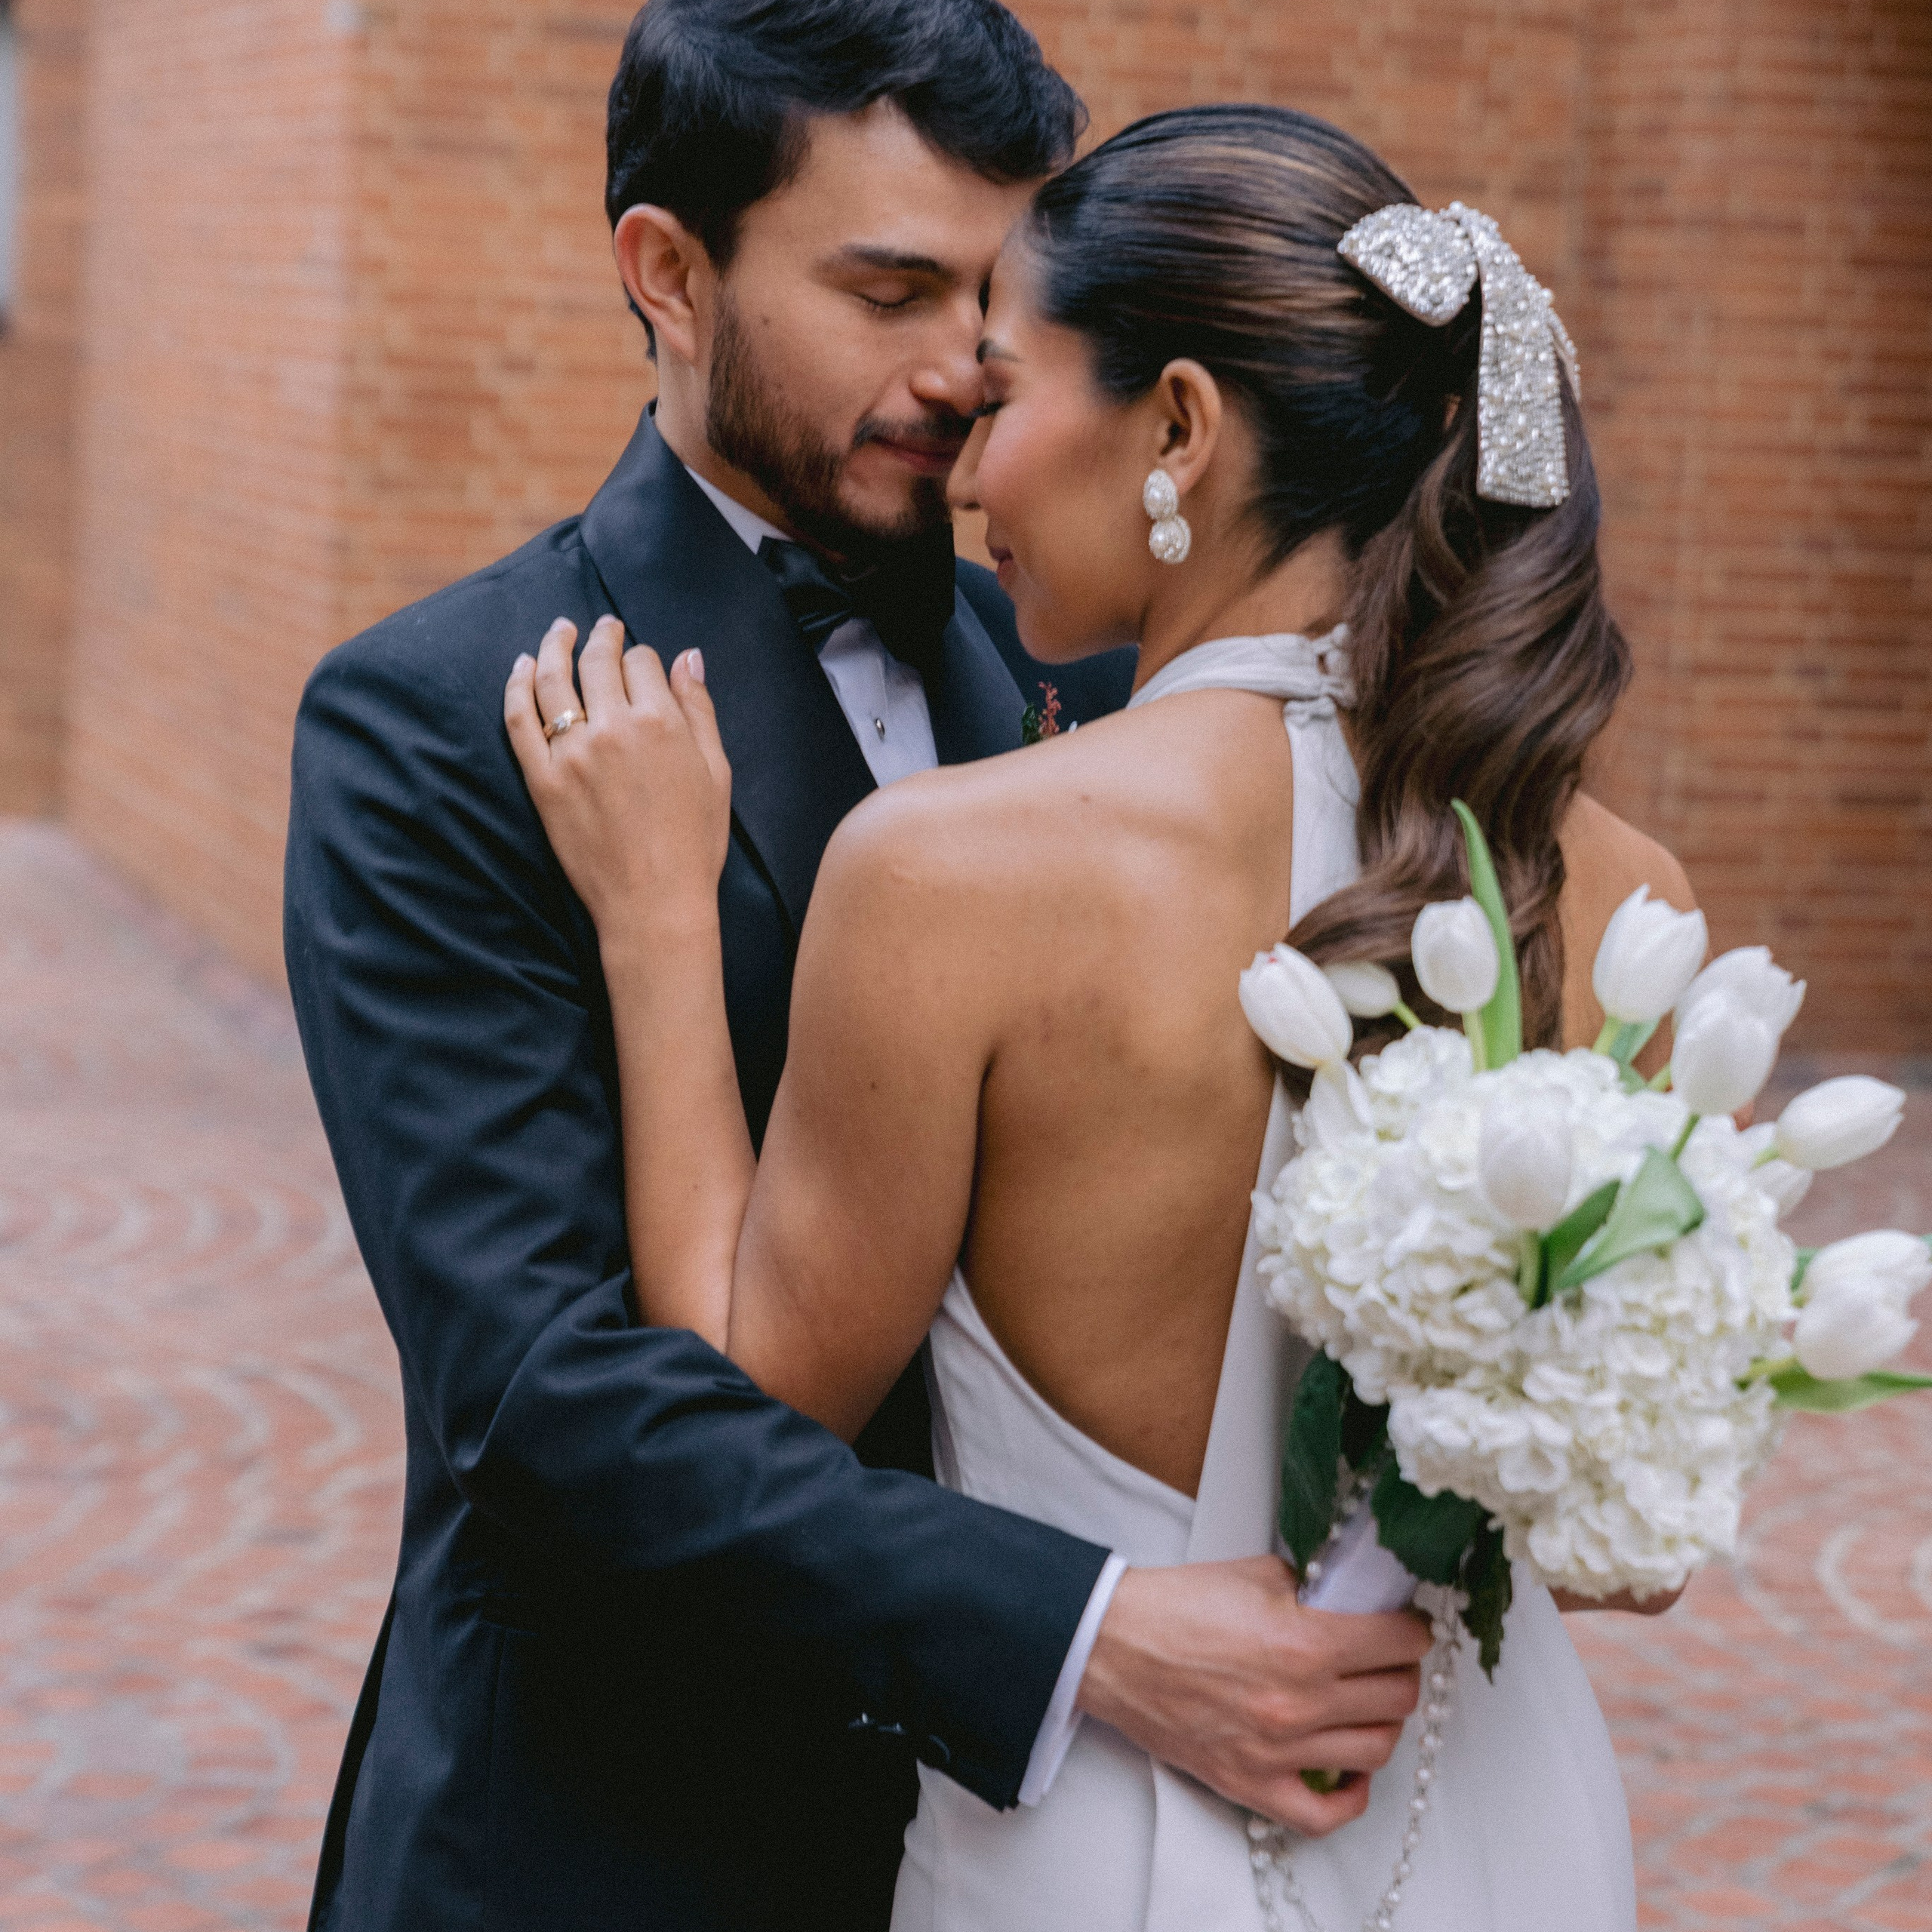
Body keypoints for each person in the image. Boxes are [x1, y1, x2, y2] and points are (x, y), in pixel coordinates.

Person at [283, 9, 1432, 1931]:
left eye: (997, 291)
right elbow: (548, 1405)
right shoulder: (439, 718)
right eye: (888, 289)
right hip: (621, 1836)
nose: (968, 367)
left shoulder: (1083, 658)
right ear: (666, 273)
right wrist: (1089, 1634)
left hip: (1072, 1847)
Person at [506, 103, 1699, 1930]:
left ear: (1177, 428)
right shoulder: (1622, 897)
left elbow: (748, 1400)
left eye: (1000, 394)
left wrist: (661, 925)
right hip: (1493, 1818)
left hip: (1097, 1834)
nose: (966, 475)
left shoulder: (951, 871)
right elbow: (1632, 1538)